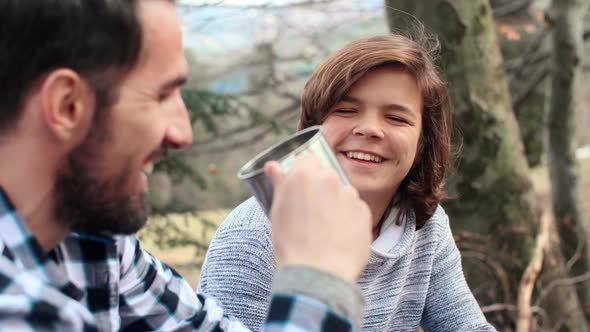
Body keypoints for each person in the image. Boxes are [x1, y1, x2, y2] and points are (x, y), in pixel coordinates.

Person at [0, 0, 374, 331]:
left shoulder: (92, 240)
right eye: (162, 95)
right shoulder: (15, 306)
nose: (183, 133)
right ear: (68, 106)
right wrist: (319, 280)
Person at [198, 32, 497, 332]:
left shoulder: (425, 227)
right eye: (346, 110)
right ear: (312, 130)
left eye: (396, 118)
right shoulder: (252, 235)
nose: (369, 129)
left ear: (422, 143)